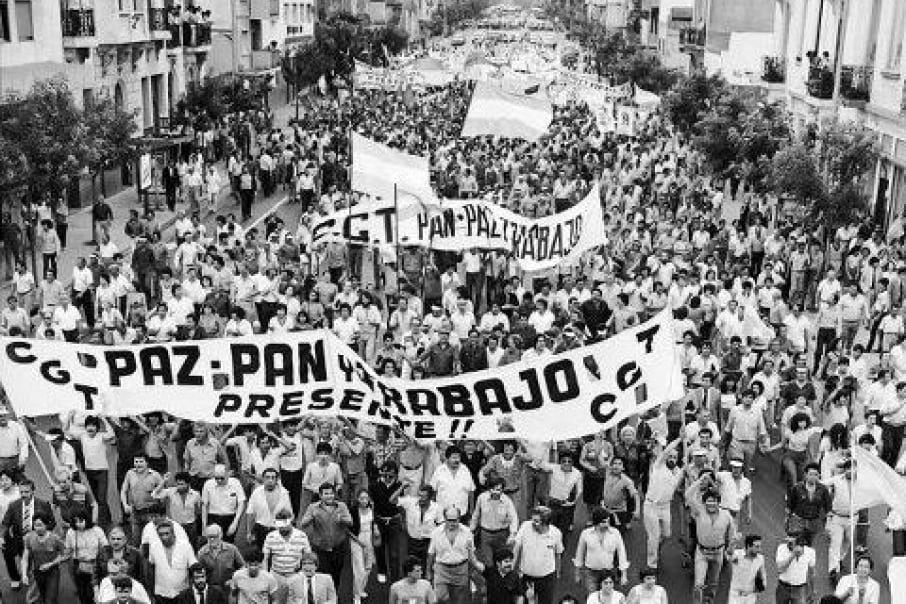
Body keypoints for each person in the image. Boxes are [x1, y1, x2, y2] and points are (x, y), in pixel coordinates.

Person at [426, 505, 484, 604]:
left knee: (460, 600)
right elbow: (431, 553)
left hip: (461, 570)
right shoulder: (436, 532)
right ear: (444, 519)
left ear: (459, 518)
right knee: (441, 599)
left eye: (455, 520)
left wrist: (472, 570)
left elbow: (471, 553)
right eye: (449, 520)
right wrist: (428, 571)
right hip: (441, 569)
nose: (452, 523)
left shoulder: (467, 532)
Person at [1, 478, 52, 590]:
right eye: (21, 492)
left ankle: (35, 581)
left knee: (34, 563)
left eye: (26, 492)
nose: (23, 495)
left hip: (36, 538)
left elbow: (52, 522)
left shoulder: (43, 504)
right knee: (14, 556)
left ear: (33, 491)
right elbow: (5, 522)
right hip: (18, 538)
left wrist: (39, 532)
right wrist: (1, 537)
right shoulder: (14, 505)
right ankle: (20, 578)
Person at [299, 482, 352, 590]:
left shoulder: (341, 506)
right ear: (320, 495)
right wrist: (312, 517)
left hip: (339, 547)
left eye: (331, 493)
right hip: (320, 549)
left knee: (336, 574)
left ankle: (334, 595)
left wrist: (341, 519)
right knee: (322, 575)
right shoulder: (313, 507)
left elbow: (350, 522)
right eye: (326, 494)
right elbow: (303, 524)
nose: (329, 496)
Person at [513, 506, 563, 604]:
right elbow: (516, 548)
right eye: (532, 519)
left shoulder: (556, 533)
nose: (532, 523)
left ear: (546, 523)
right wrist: (511, 569)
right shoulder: (525, 526)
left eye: (536, 521)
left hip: (547, 578)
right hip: (526, 577)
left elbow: (558, 553)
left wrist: (557, 573)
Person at [573, 508, 629, 593]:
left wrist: (624, 575)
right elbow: (579, 554)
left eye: (608, 521)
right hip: (590, 572)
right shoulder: (586, 533)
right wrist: (577, 573)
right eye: (603, 522)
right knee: (592, 596)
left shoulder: (615, 533)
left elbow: (622, 553)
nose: (607, 524)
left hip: (608, 572)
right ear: (596, 522)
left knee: (607, 596)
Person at [469, 476, 519, 567]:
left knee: (500, 562)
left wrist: (512, 534)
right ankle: (490, 580)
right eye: (493, 489)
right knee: (488, 563)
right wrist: (471, 530)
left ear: (502, 490)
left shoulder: (507, 501)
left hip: (501, 535)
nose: (496, 492)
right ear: (489, 489)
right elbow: (476, 515)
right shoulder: (482, 498)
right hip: (485, 535)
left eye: (499, 489)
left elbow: (513, 518)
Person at [64, 509, 108, 604]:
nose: (78, 524)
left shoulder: (97, 530)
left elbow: (106, 547)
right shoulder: (71, 532)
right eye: (75, 521)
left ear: (87, 519)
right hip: (80, 567)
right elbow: (68, 549)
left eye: (81, 521)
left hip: (96, 567)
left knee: (96, 594)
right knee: (82, 594)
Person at [20, 512, 66, 604]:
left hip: (52, 573)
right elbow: (25, 557)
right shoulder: (29, 537)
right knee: (37, 598)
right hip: (36, 572)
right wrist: (24, 574)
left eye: (40, 525)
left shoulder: (55, 538)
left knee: (50, 599)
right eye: (35, 525)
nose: (37, 528)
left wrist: (51, 564)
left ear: (46, 525)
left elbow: (65, 554)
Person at [148, 520, 197, 604]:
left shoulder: (185, 546)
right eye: (161, 534)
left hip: (182, 592)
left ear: (173, 533)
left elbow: (193, 566)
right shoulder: (154, 547)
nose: (164, 537)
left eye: (167, 533)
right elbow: (151, 567)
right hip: (161, 593)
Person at [196, 524, 245, 589]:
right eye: (209, 537)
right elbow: (197, 572)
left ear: (220, 535)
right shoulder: (202, 553)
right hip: (210, 589)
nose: (212, 539)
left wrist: (234, 580)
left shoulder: (232, 549)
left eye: (215, 536)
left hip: (229, 587)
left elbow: (243, 567)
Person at [350, 488, 376, 604]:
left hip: (369, 539)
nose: (364, 500)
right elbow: (347, 530)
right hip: (357, 540)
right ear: (357, 499)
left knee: (368, 567)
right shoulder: (353, 510)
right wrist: (359, 542)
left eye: (366, 498)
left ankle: (361, 589)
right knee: (359, 570)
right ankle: (356, 595)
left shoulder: (372, 508)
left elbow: (373, 523)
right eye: (361, 498)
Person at [775, 532, 816, 604]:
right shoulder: (781, 548)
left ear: (800, 544)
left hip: (800, 589)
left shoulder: (810, 552)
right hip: (783, 588)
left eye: (791, 543)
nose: (788, 544)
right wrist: (793, 555)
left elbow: (811, 573)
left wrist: (812, 591)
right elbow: (780, 569)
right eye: (788, 541)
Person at [728, 534, 766, 604]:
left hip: (750, 597)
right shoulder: (738, 556)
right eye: (757, 547)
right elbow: (729, 554)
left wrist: (761, 586)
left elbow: (762, 575)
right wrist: (733, 542)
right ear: (749, 546)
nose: (759, 550)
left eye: (760, 546)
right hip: (735, 597)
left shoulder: (760, 559)